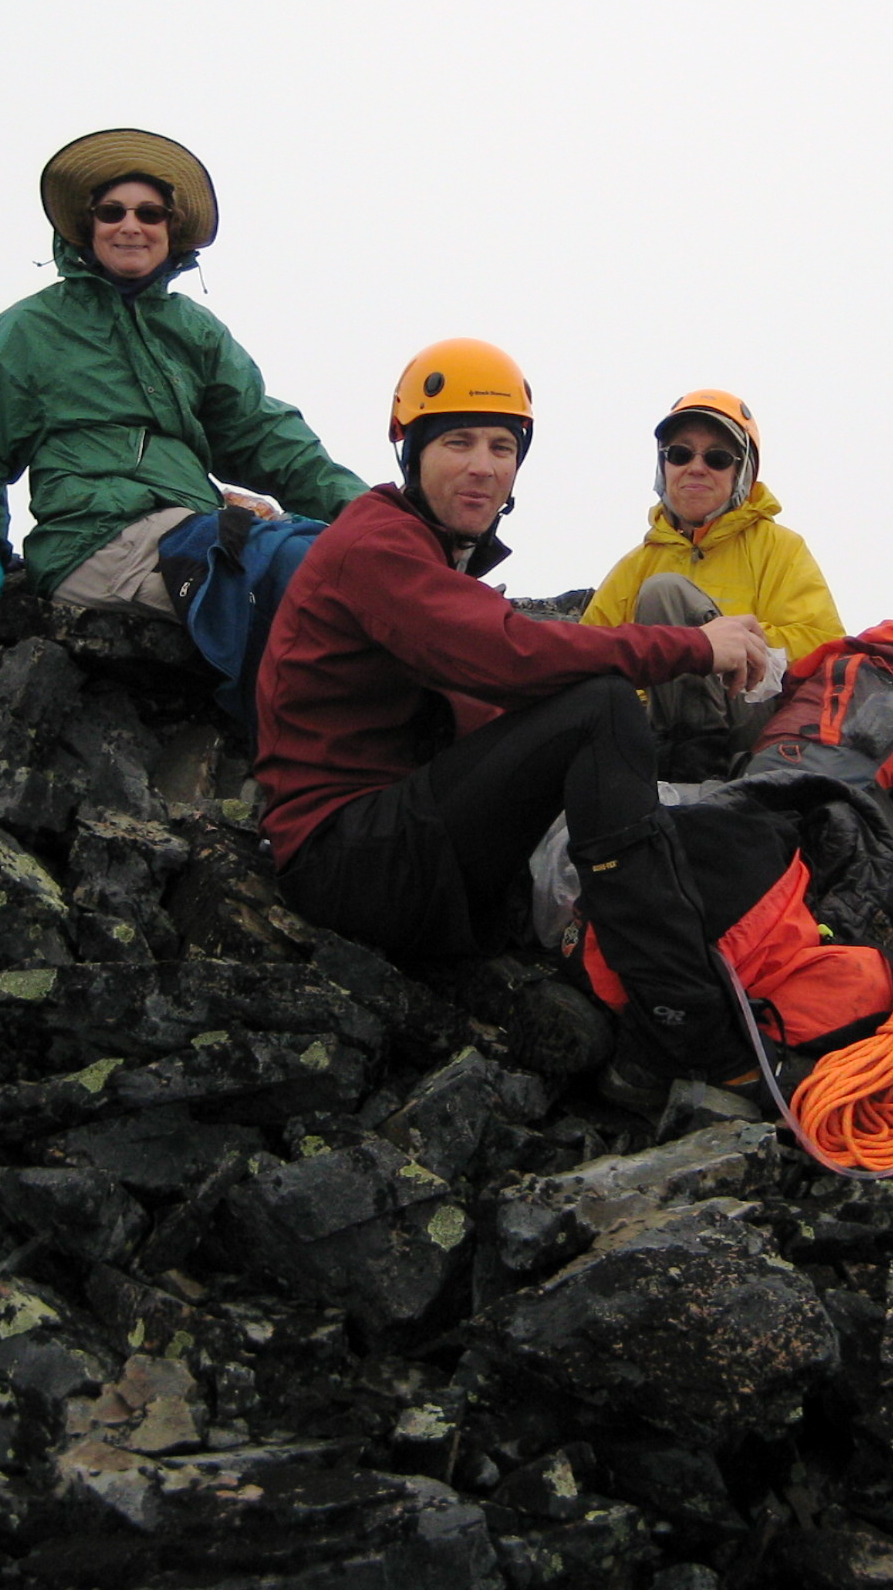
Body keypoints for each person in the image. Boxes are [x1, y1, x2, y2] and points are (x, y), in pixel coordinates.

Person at [254, 339, 771, 1088]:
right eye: (457, 442)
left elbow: (499, 696)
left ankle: (673, 975)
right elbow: (508, 654)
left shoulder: (428, 558)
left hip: (397, 851)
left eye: (503, 447)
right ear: (413, 453)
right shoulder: (378, 547)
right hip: (351, 862)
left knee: (593, 722)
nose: (483, 465)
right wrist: (690, 646)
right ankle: (687, 1020)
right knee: (596, 710)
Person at [0, 127, 366, 610]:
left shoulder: (195, 329)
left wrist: (367, 514)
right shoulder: (33, 327)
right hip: (91, 539)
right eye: (111, 212)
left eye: (150, 213)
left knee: (332, 564)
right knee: (282, 577)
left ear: (169, 228)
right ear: (88, 225)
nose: (130, 225)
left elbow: (263, 434)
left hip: (192, 528)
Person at [581, 387, 845, 774]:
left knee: (665, 592)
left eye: (718, 458)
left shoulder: (778, 547)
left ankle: (698, 762)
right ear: (664, 466)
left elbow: (824, 644)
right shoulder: (635, 565)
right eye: (680, 454)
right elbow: (588, 657)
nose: (696, 467)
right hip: (649, 729)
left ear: (742, 473)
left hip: (748, 721)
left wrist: (741, 642)